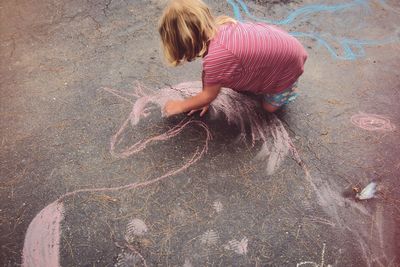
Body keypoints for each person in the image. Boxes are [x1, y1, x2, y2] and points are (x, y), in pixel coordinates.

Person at [159, 0, 308, 117]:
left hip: (289, 63)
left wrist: (181, 105)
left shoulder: (217, 57)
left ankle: (289, 88)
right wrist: (201, 100)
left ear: (186, 43)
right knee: (240, 84)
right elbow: (209, 77)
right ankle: (267, 79)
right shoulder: (217, 32)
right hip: (283, 47)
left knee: (269, 108)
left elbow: (209, 95)